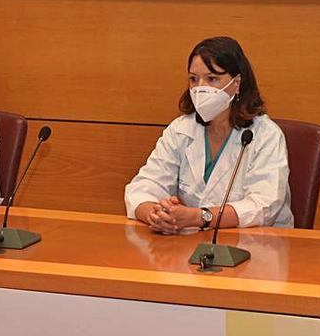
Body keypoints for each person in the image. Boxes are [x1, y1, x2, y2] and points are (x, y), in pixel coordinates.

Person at [125, 36, 293, 232]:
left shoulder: (266, 135)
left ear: (237, 83)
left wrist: (199, 217)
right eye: (193, 79)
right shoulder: (180, 130)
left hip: (259, 247)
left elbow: (264, 206)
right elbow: (144, 186)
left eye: (212, 78)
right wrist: (157, 215)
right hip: (192, 245)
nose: (200, 88)